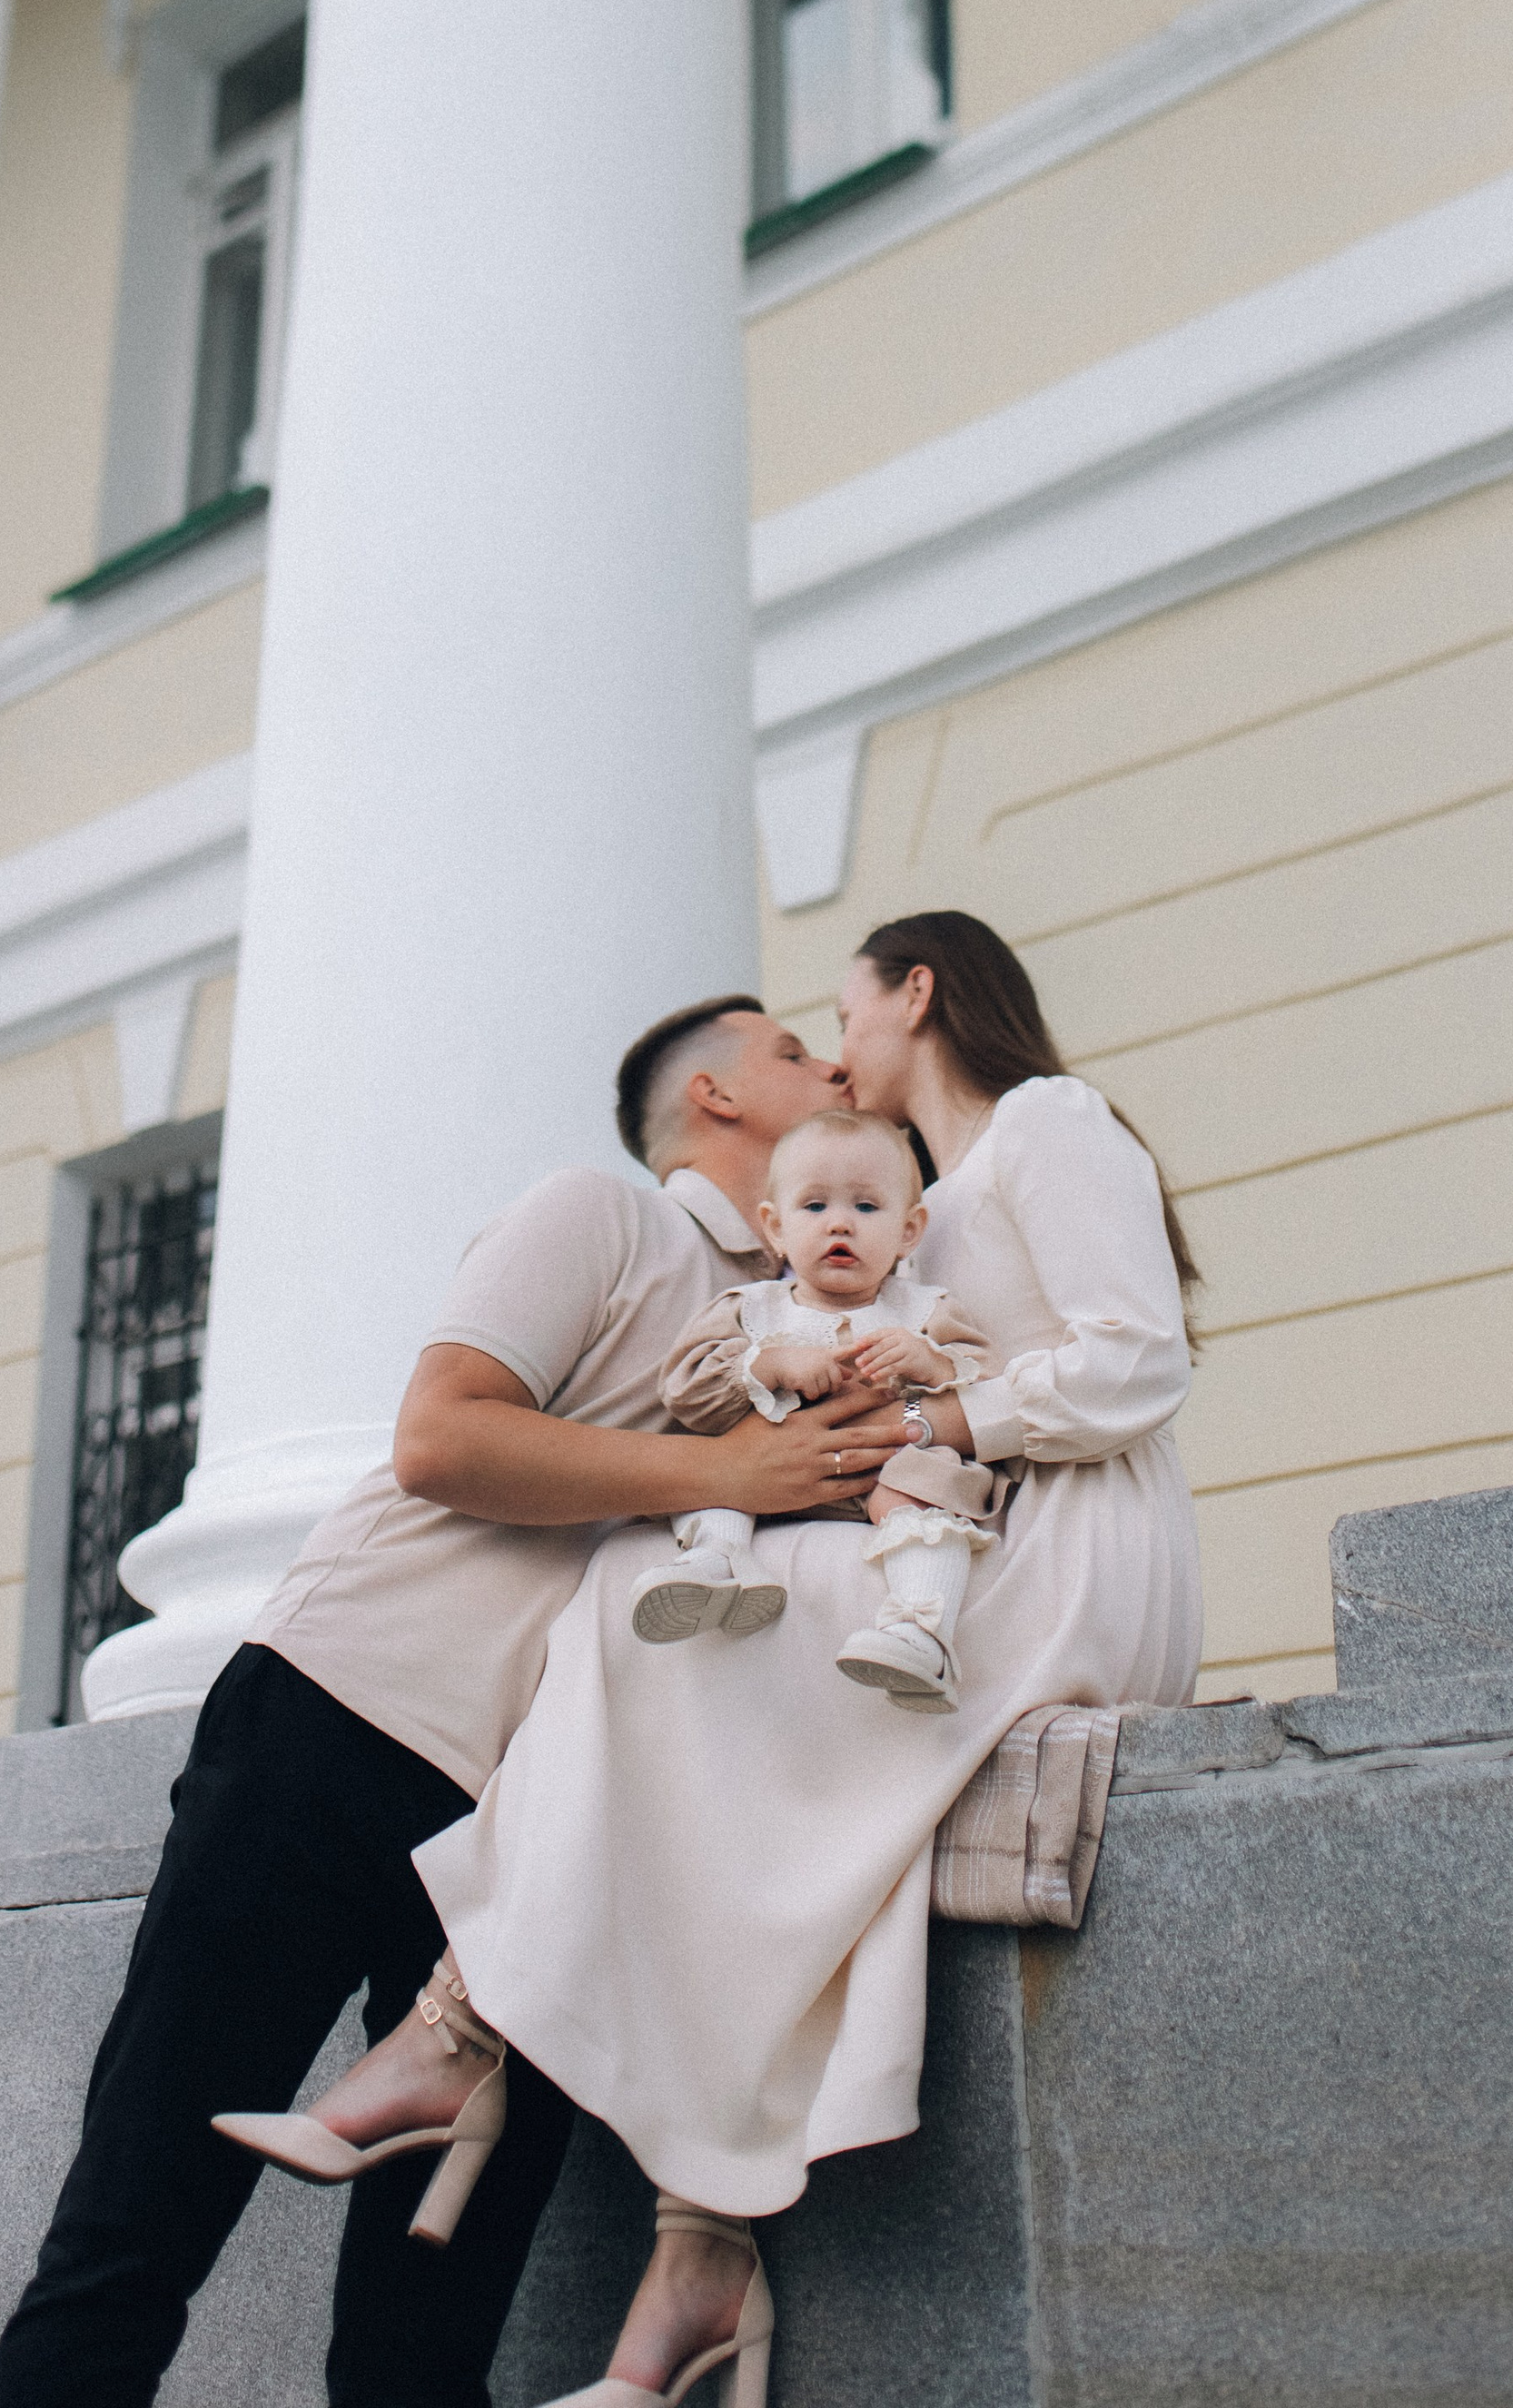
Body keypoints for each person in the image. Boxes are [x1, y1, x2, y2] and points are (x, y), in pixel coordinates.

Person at [312, 910, 1203, 2408]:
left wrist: (932, 1424)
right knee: (658, 1625)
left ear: (916, 995)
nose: (835, 1048)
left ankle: (468, 2032)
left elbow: (1137, 1358)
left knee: (650, 1617)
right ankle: (693, 2246)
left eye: (842, 1015)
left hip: (1067, 1545)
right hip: (960, 1526)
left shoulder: (1050, 1123)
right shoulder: (910, 1199)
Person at [0, 997, 902, 2408]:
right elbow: (441, 1436)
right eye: (794, 1051)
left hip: (533, 1855)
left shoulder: (818, 1320)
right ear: (712, 1099)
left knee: (428, 2340)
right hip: (331, 1734)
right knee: (134, 2232)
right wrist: (726, 1476)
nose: (834, 1066)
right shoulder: (602, 1216)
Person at [635, 1103, 1005, 1709]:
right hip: (766, 1481)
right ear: (775, 1226)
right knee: (709, 1463)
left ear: (910, 1230)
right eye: (814, 1207)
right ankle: (719, 1560)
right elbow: (684, 1386)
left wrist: (930, 1362)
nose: (841, 1225)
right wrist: (768, 1362)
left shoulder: (924, 1311)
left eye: (866, 1207)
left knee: (925, 1481)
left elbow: (987, 1378)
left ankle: (921, 1629)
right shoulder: (753, 1310)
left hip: (879, 1475)